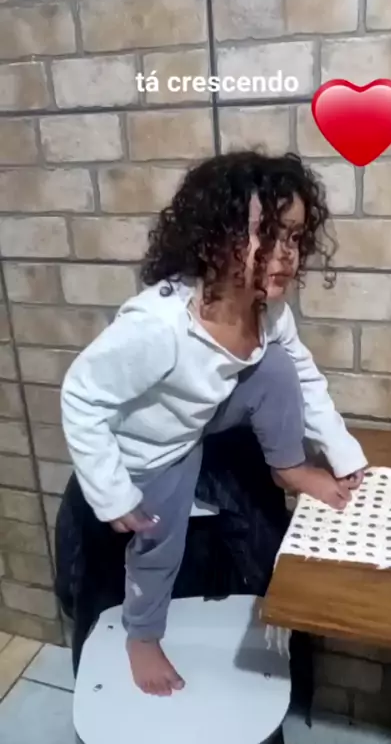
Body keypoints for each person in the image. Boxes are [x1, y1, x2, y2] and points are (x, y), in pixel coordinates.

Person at [60, 150, 368, 698]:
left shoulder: (268, 311)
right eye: (266, 236)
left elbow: (302, 377)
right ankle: (142, 637)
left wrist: (342, 454)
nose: (285, 254)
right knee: (159, 549)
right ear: (213, 239)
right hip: (152, 449)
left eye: (294, 237)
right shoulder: (160, 327)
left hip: (202, 414)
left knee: (279, 366)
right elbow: (81, 396)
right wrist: (111, 492)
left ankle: (290, 468)